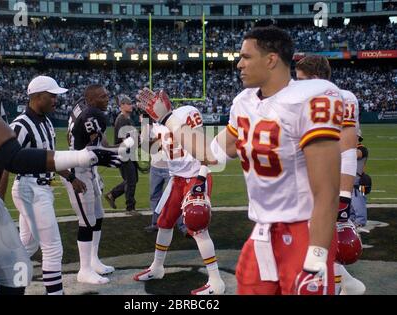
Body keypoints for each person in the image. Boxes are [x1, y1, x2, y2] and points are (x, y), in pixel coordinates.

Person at [137, 26, 342, 295]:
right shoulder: (245, 103)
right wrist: (168, 119)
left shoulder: (310, 99)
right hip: (262, 232)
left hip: (303, 229)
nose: (238, 63)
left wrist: (315, 261)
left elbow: (327, 191)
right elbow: (209, 152)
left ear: (271, 59)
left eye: (246, 57)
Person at [0, 26, 120, 295]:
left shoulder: (42, 120)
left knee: (16, 267)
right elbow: (10, 157)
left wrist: (71, 175)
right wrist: (83, 156)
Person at [133, 108, 225, 295]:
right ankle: (157, 267)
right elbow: (147, 148)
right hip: (177, 180)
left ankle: (216, 281)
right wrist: (144, 123)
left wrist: (202, 177)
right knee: (164, 223)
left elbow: (203, 146)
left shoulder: (185, 114)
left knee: (197, 225)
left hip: (195, 176)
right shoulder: (157, 125)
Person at [295, 55, 366, 295]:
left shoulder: (343, 98)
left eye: (302, 79)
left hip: (328, 186)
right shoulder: (302, 102)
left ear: (315, 79)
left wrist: (344, 201)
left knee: (319, 248)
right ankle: (349, 284)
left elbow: (347, 149)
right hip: (307, 183)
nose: (297, 84)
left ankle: (339, 286)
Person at [8, 75, 86, 295]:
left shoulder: (46, 122)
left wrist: (70, 177)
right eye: (51, 96)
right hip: (30, 189)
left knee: (27, 246)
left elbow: (49, 159)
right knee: (52, 249)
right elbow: (5, 160)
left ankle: (12, 287)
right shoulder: (20, 125)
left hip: (41, 188)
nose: (55, 100)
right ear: (37, 97)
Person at [62, 85, 129, 285]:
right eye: (102, 96)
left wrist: (121, 147)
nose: (107, 98)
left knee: (98, 216)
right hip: (78, 169)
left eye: (107, 94)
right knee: (87, 221)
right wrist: (116, 153)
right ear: (91, 100)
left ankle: (93, 260)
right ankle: (84, 270)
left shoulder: (84, 108)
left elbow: (104, 146)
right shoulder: (94, 115)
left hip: (88, 167)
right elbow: (94, 152)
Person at [140, 115, 187, 235]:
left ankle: (182, 225)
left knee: (175, 198)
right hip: (156, 166)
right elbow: (145, 145)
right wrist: (145, 124)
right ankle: (156, 223)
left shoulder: (171, 123)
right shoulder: (151, 126)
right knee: (154, 196)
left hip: (171, 168)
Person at [105, 94, 139, 215]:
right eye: (129, 104)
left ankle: (112, 194)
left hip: (128, 153)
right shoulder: (122, 119)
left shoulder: (127, 118)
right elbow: (125, 138)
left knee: (133, 179)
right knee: (131, 180)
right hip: (124, 153)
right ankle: (130, 208)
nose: (131, 106)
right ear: (122, 106)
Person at [351, 131, 369, 227]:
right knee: (349, 204)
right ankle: (352, 220)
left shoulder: (362, 149)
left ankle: (360, 222)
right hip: (350, 181)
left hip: (360, 182)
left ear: (357, 137)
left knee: (359, 202)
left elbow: (355, 154)